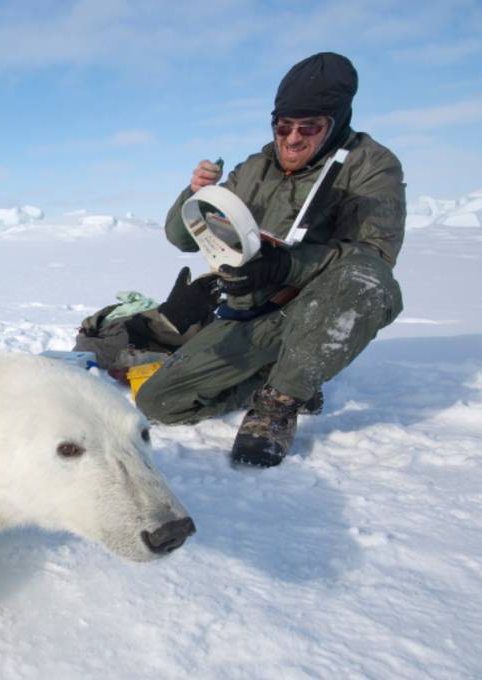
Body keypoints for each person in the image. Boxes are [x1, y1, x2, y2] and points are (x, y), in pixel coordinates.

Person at [135, 52, 406, 467]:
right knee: (159, 401)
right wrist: (193, 194)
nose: (293, 139)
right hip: (251, 314)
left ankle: (279, 404)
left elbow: (375, 255)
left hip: (313, 308)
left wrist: (287, 265)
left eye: (309, 128)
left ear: (337, 122)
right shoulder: (255, 168)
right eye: (283, 127)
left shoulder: (370, 165)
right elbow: (182, 239)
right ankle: (274, 373)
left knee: (366, 279)